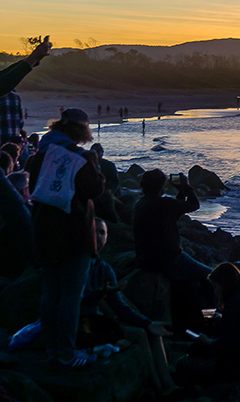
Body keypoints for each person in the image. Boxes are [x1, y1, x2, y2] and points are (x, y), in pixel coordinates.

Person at [8, 219, 177, 392]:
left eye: (102, 233)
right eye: (94, 232)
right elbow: (70, 301)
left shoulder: (104, 268)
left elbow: (120, 306)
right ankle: (159, 388)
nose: (98, 236)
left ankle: (168, 384)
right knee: (140, 334)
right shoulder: (73, 264)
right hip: (74, 326)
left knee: (151, 331)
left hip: (93, 323)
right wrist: (101, 293)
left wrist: (149, 323)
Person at [26, 108, 105, 368]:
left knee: (50, 293)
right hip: (74, 233)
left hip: (44, 231)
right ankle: (67, 353)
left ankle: (51, 349)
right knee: (71, 296)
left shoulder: (39, 154)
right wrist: (97, 164)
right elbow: (93, 189)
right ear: (81, 130)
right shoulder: (80, 157)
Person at [133, 169, 213, 332]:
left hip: (149, 258)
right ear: (161, 186)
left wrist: (181, 192)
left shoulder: (142, 204)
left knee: (190, 288)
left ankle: (194, 323)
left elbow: (172, 215)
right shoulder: (162, 203)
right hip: (170, 259)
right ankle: (211, 319)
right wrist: (186, 187)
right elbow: (193, 205)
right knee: (211, 277)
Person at [175, 263, 240, 388]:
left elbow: (227, 346)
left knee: (183, 364)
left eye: (216, 287)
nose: (215, 292)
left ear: (224, 286)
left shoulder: (234, 304)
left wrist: (206, 341)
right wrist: (222, 318)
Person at [0, 38, 52, 143]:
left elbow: (8, 74)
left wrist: (35, 58)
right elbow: (5, 84)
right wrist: (34, 56)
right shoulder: (6, 86)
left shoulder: (10, 91)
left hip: (12, 152)